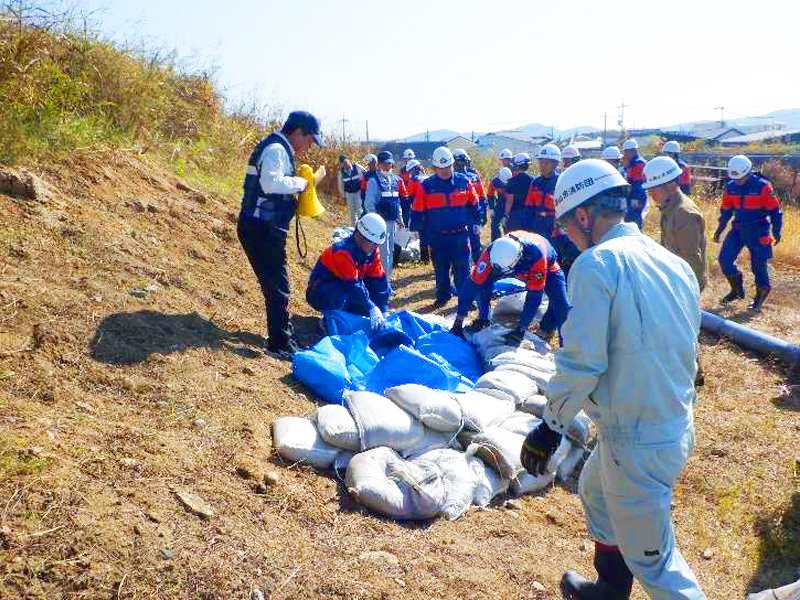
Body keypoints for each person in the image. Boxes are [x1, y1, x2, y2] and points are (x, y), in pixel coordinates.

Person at [520, 159, 705, 599]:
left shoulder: (597, 264)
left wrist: (550, 426)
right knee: (597, 491)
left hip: (639, 438)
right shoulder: (670, 262)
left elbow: (582, 362)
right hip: (668, 422)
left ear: (583, 215)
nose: (566, 234)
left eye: (567, 225)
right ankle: (609, 588)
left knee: (656, 563)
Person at [238, 110, 325, 359]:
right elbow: (270, 183)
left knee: (277, 286)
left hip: (264, 227)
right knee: (279, 287)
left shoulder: (278, 148)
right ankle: (279, 345)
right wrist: (301, 184)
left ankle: (282, 337)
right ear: (298, 132)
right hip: (261, 228)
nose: (309, 147)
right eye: (309, 140)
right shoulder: (277, 149)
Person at [450, 231, 570, 344]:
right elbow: (471, 285)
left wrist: (520, 330)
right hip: (509, 264)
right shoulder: (491, 252)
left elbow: (534, 298)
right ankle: (483, 320)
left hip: (548, 267)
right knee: (482, 285)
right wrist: (458, 321)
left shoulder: (537, 256)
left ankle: (566, 345)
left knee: (561, 304)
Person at [410, 146, 480, 308]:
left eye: (448, 167)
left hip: (460, 236)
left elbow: (474, 203)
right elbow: (418, 208)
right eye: (441, 168)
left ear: (453, 165)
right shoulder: (426, 186)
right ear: (435, 168)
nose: (445, 171)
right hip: (437, 237)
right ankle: (443, 296)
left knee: (463, 269)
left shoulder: (464, 182)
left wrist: (477, 221)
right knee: (441, 269)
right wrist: (415, 227)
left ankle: (466, 299)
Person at [714, 154, 782, 311]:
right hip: (738, 229)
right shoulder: (731, 187)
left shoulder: (763, 186)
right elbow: (726, 210)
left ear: (748, 172)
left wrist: (776, 231)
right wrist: (719, 230)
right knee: (724, 259)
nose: (738, 181)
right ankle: (737, 291)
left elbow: (775, 211)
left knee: (758, 266)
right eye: (735, 178)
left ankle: (760, 296)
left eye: (741, 178)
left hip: (759, 230)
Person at [306, 213, 390, 333]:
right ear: (360, 236)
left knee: (371, 296)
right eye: (373, 243)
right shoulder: (342, 251)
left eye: (377, 244)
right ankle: (328, 323)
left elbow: (379, 280)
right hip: (320, 292)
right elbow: (353, 285)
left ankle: (346, 317)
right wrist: (371, 307)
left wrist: (382, 309)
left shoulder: (372, 252)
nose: (375, 247)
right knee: (342, 292)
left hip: (348, 289)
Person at [643, 156, 708, 290]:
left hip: (684, 282)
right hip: (674, 276)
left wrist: (688, 290)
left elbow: (692, 258)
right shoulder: (670, 208)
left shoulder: (684, 214)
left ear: (671, 186)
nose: (651, 194)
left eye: (653, 189)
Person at [364, 151, 406, 278]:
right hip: (380, 224)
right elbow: (369, 204)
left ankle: (388, 280)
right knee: (383, 253)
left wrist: (400, 218)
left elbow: (396, 201)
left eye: (390, 164)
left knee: (391, 251)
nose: (388, 166)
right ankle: (383, 282)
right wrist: (375, 223)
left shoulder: (395, 180)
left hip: (393, 222)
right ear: (379, 165)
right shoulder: (374, 181)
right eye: (385, 164)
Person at [453, 148, 487, 263]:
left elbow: (481, 197)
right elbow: (482, 198)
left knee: (470, 242)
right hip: (466, 214)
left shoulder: (455, 178)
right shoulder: (472, 177)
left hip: (467, 214)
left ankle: (474, 267)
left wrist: (481, 215)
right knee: (470, 242)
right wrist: (482, 215)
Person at [527, 143, 561, 239]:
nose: (542, 166)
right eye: (541, 162)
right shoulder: (535, 182)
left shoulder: (561, 182)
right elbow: (529, 207)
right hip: (537, 225)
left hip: (555, 228)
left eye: (546, 163)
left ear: (555, 164)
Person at [503, 153, 534, 232]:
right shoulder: (533, 181)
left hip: (515, 215)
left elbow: (509, 201)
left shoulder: (512, 181)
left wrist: (505, 215)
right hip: (529, 215)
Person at [622, 138, 648, 229]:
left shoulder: (639, 164)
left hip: (637, 196)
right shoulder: (632, 163)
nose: (624, 154)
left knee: (634, 220)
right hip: (634, 195)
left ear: (632, 151)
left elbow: (637, 183)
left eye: (625, 152)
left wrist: (635, 199)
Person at [337, 154, 365, 225]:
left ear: (349, 161)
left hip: (358, 191)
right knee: (352, 211)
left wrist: (364, 190)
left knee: (359, 210)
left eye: (346, 162)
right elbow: (340, 185)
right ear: (341, 164)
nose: (345, 164)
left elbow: (365, 173)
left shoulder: (357, 167)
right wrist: (343, 195)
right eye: (343, 163)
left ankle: (361, 225)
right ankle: (354, 226)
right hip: (348, 193)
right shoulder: (341, 173)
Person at [487, 166, 513, 241]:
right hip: (500, 203)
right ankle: (495, 242)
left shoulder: (513, 181)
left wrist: (506, 215)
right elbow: (490, 195)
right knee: (494, 225)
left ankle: (509, 244)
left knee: (508, 226)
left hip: (512, 204)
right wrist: (491, 208)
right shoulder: (494, 181)